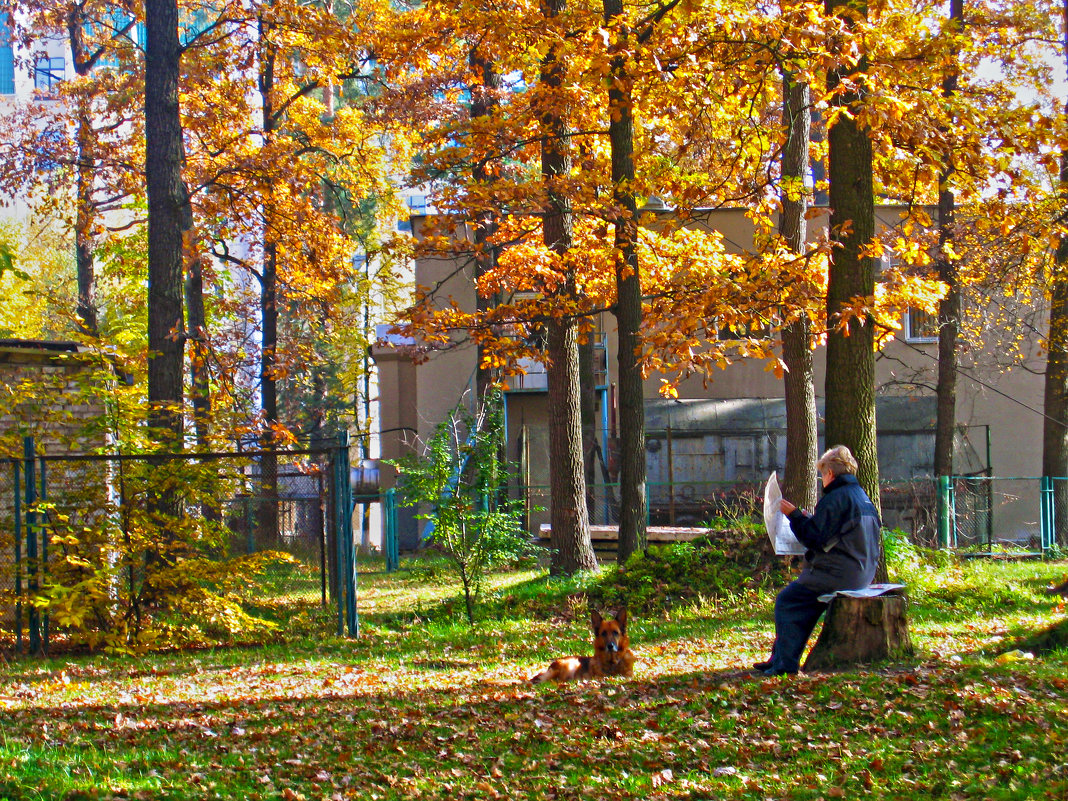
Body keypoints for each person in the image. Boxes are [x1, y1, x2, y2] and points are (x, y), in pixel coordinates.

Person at [754, 445, 881, 676]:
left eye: (822, 473)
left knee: (788, 600)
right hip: (861, 570)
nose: (822, 478)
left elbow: (813, 537)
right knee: (800, 601)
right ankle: (778, 658)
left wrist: (793, 516)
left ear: (830, 474)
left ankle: (784, 664)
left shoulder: (835, 498)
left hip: (838, 573)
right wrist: (804, 517)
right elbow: (832, 531)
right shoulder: (861, 497)